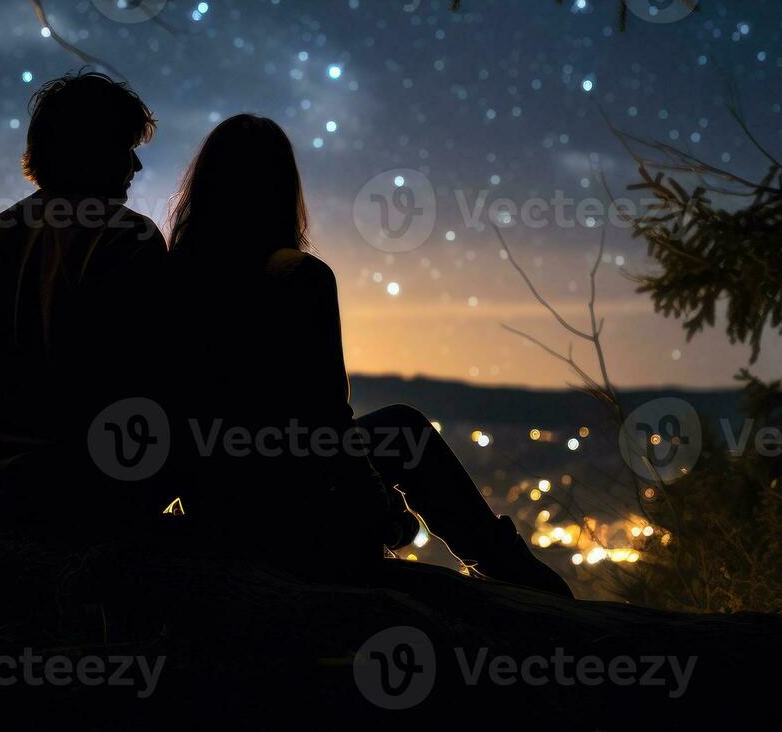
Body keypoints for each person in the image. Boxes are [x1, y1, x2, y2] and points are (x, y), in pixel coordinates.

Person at [166, 114, 572, 597]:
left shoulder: (171, 278)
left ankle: (510, 569)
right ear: (282, 189)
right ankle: (520, 577)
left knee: (397, 430)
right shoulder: (300, 277)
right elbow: (327, 424)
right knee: (404, 429)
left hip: (219, 512)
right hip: (296, 528)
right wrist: (386, 519)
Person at [0, 71, 172, 533]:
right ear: (93, 149)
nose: (136, 167)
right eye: (125, 149)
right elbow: (145, 385)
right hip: (107, 495)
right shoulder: (128, 238)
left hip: (14, 494)